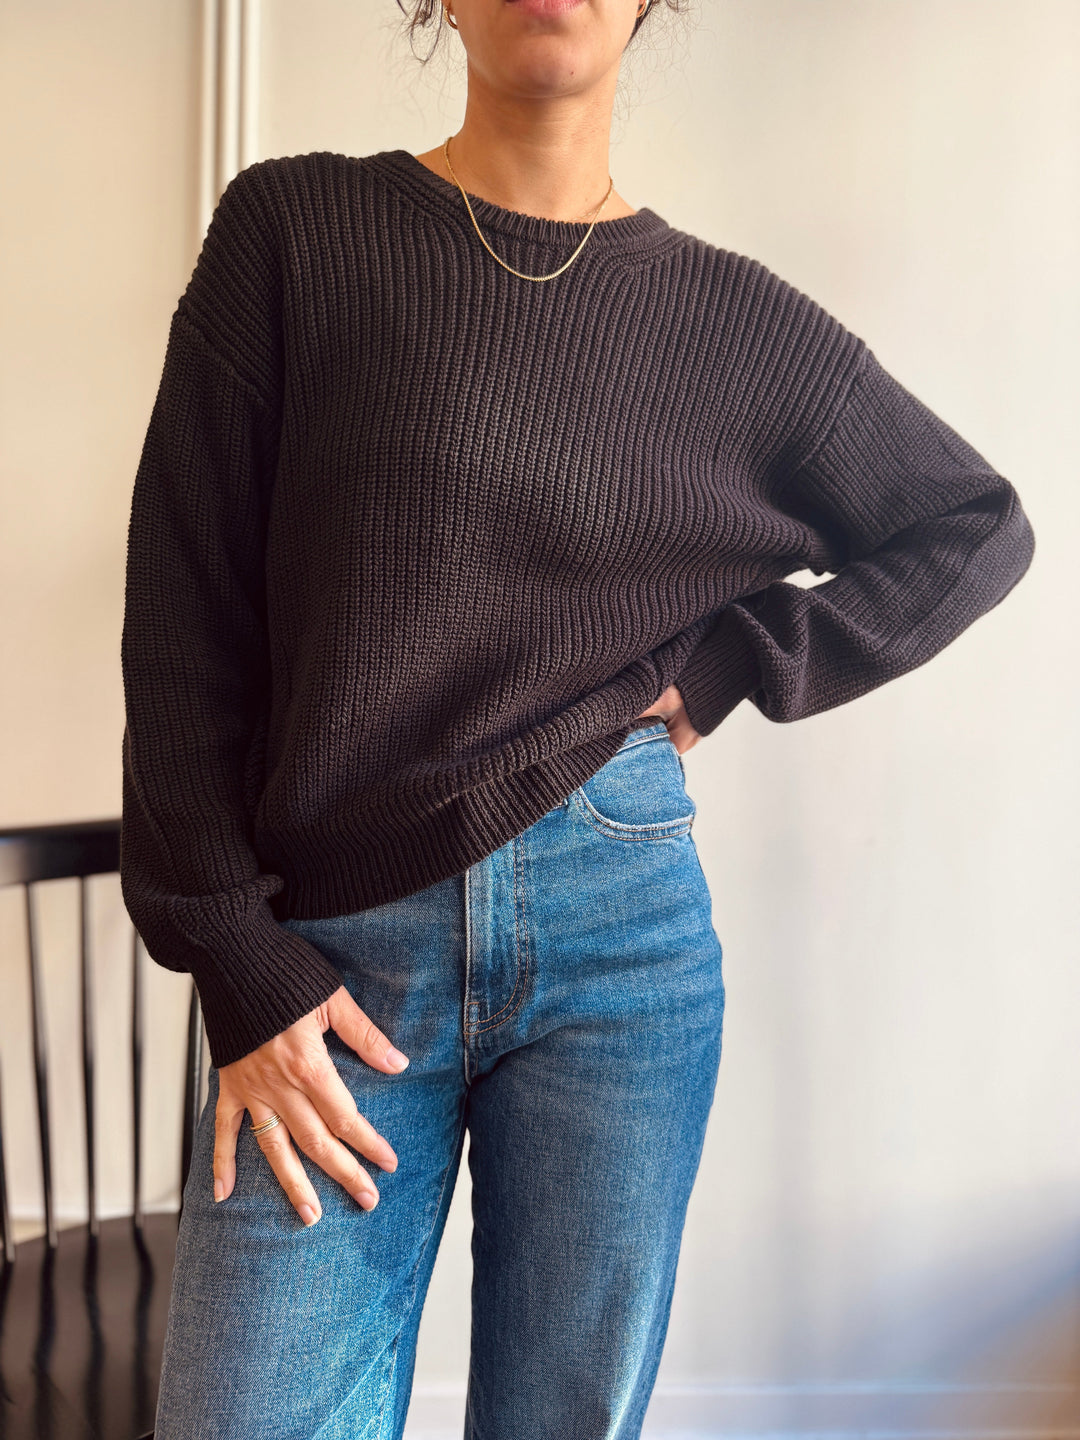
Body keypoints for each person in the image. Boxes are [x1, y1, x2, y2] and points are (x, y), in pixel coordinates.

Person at [119, 0, 1035, 1435]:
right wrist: (232, 953)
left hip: (625, 938)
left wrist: (733, 663)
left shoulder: (736, 324)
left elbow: (973, 525)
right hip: (330, 960)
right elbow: (185, 617)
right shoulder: (296, 233)